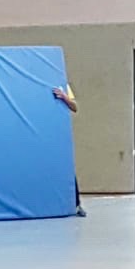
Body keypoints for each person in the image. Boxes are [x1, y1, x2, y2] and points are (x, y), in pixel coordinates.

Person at [53, 83, 87, 217]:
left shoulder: (63, 85)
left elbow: (75, 107)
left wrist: (64, 97)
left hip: (58, 134)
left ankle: (77, 204)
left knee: (67, 169)